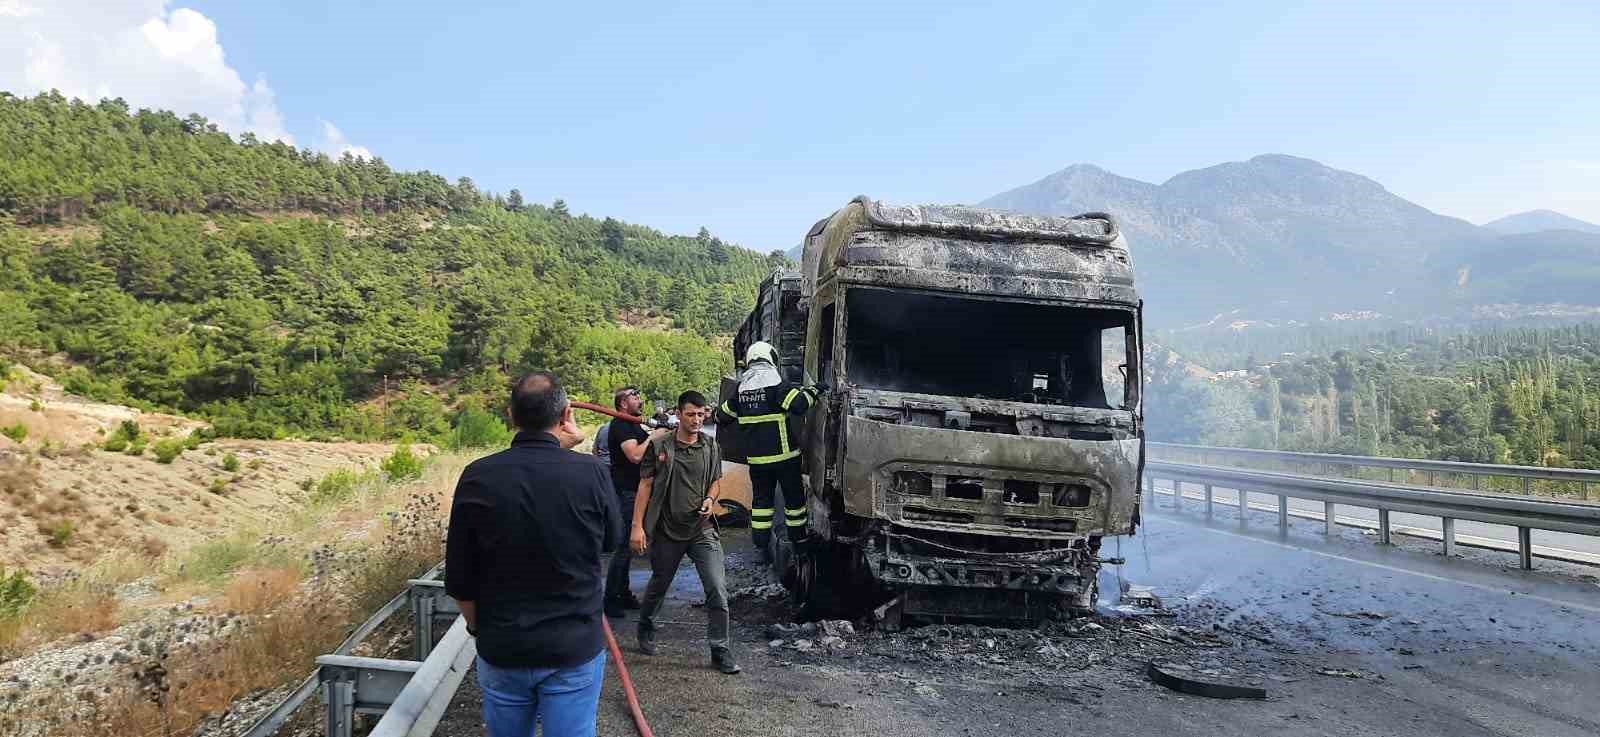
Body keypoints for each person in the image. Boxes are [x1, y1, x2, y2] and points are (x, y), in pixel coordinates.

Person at [445, 372, 618, 737]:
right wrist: (567, 450)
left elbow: (460, 578)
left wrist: (478, 628)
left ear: (511, 415)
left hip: (504, 647)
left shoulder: (477, 476)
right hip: (573, 647)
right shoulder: (590, 473)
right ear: (566, 414)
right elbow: (611, 540)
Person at [631, 390, 740, 674]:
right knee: (659, 583)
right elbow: (644, 486)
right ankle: (646, 625)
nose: (696, 420)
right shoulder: (662, 447)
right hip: (667, 530)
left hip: (700, 529)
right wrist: (637, 527)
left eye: (701, 414)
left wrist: (709, 500)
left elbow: (716, 482)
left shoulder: (710, 446)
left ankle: (720, 649)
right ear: (678, 414)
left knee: (717, 588)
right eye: (690, 414)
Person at [714, 341, 821, 561]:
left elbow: (721, 416)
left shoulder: (741, 390)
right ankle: (799, 542)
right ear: (770, 357)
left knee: (762, 502)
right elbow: (800, 405)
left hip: (757, 461)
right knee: (794, 502)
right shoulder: (778, 385)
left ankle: (761, 544)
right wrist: (815, 390)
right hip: (785, 459)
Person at [603, 386, 653, 617]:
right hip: (627, 492)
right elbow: (634, 455)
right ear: (622, 403)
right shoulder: (621, 424)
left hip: (636, 491)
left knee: (628, 548)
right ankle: (611, 598)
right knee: (624, 545)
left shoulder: (631, 423)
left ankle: (622, 594)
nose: (639, 399)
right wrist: (654, 437)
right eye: (634, 396)